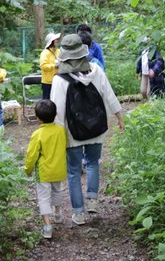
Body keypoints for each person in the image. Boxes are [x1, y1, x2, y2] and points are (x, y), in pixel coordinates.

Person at [50, 34, 124, 225]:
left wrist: (57, 136)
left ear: (64, 56)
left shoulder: (59, 80)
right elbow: (108, 94)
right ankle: (92, 200)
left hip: (72, 133)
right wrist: (119, 117)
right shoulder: (97, 70)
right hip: (96, 128)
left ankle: (79, 213)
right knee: (93, 163)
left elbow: (56, 110)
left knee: (74, 172)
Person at [24, 99, 67, 239]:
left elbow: (31, 155)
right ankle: (58, 213)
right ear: (55, 114)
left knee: (43, 197)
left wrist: (28, 169)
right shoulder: (61, 130)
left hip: (44, 172)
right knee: (57, 190)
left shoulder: (38, 134)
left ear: (37, 117)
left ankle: (47, 226)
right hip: (59, 169)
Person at [40, 32, 61, 100]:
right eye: (55, 39)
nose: (57, 40)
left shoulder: (58, 51)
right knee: (46, 102)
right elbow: (43, 66)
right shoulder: (45, 53)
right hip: (47, 82)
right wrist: (54, 66)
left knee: (57, 100)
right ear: (51, 41)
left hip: (58, 80)